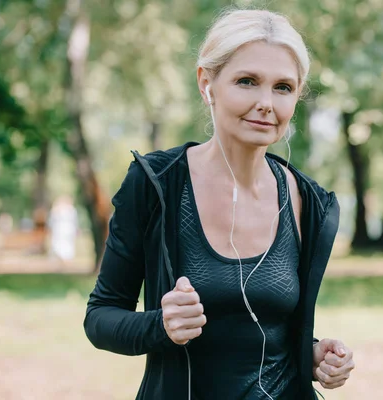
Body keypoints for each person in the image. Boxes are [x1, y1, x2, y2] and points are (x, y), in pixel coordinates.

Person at [84, 9, 355, 400]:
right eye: (247, 81)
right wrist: (162, 326)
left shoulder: (308, 201)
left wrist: (314, 356)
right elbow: (100, 317)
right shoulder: (155, 183)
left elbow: (276, 333)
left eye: (283, 87)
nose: (266, 102)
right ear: (206, 83)